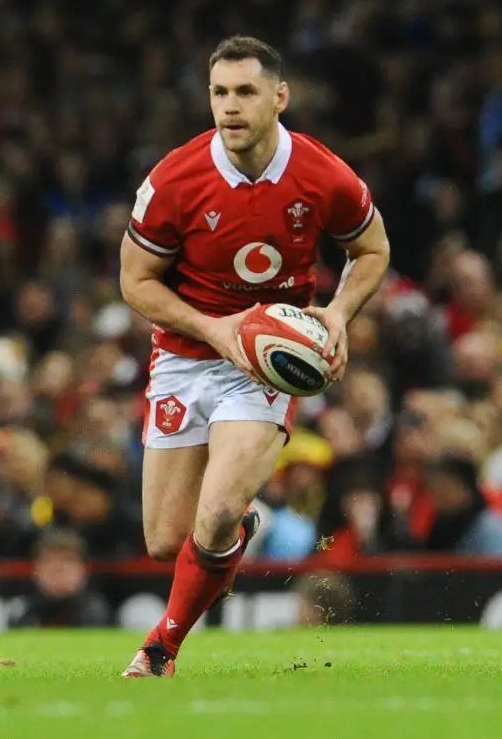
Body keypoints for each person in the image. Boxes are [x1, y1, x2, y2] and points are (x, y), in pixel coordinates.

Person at [118, 36, 391, 678]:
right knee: (165, 540)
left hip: (266, 358)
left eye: (245, 92)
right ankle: (235, 533)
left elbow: (372, 250)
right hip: (186, 353)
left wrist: (336, 314)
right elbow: (136, 282)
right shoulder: (173, 180)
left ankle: (161, 648)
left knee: (213, 516)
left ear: (279, 97)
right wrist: (214, 329)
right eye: (220, 93)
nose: (231, 107)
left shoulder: (322, 174)